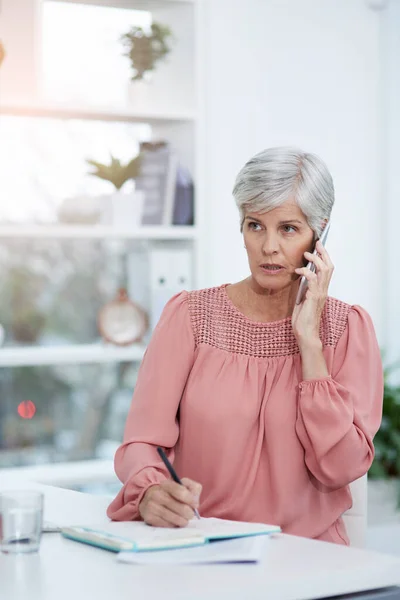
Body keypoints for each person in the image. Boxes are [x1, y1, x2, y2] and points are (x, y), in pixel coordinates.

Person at [107, 147, 383, 545]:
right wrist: (150, 490)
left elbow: (341, 467)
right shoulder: (190, 316)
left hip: (310, 558)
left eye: (288, 228)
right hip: (201, 549)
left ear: (319, 234)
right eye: (255, 225)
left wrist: (310, 344)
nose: (269, 246)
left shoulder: (347, 329)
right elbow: (141, 441)